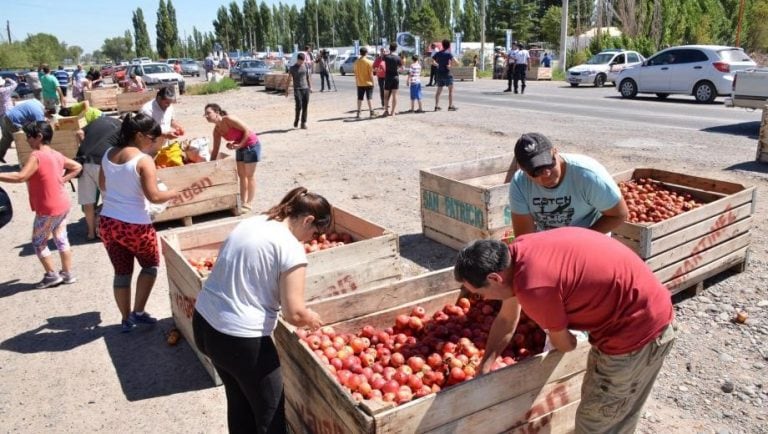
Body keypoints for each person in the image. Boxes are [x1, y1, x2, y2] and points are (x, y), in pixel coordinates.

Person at [453, 228, 676, 433]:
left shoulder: (534, 289)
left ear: (494, 278)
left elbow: (567, 345)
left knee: (596, 422)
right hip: (642, 309)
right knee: (615, 411)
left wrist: (556, 322)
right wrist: (485, 366)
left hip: (636, 333)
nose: (482, 299)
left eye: (480, 293)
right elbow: (507, 317)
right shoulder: (518, 253)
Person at [192, 186, 329, 434]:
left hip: (205, 323)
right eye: (315, 233)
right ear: (308, 220)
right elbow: (294, 313)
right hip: (240, 340)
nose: (312, 239)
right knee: (270, 416)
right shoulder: (290, 246)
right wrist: (311, 318)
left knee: (240, 404)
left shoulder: (253, 222)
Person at [98, 113, 179, 332]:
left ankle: (125, 320)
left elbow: (103, 185)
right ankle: (139, 312)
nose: (154, 143)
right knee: (150, 265)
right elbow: (153, 196)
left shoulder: (108, 154)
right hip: (136, 226)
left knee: (122, 272)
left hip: (108, 223)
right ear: (140, 135)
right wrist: (172, 192)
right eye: (152, 139)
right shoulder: (143, 161)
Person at [0, 121, 82, 288]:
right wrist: (63, 180)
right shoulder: (55, 154)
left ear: (39, 137)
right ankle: (67, 273)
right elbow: (77, 166)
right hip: (62, 204)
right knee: (61, 238)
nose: (27, 140)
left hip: (47, 207)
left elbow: (21, 177)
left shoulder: (36, 156)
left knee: (39, 242)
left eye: (29, 137)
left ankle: (51, 275)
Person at [505, 132, 628, 237]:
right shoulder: (520, 183)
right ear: (522, 169)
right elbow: (525, 237)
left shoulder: (588, 175)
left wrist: (580, 241)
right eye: (536, 171)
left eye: (549, 163)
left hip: (591, 239)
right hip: (550, 244)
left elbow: (619, 214)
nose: (546, 173)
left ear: (555, 152)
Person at [205, 103, 261, 211]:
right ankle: (242, 201)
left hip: (251, 145)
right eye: (205, 114)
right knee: (241, 176)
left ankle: (249, 203)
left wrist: (239, 145)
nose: (206, 116)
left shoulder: (229, 119)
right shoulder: (217, 130)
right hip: (240, 147)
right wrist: (209, 165)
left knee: (249, 175)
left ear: (217, 112)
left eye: (208, 113)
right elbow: (215, 149)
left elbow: (247, 130)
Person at [75, 116, 122, 241]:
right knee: (108, 198)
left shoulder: (98, 120)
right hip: (102, 163)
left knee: (88, 201)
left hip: (83, 161)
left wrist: (83, 145)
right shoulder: (121, 127)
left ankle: (91, 233)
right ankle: (107, 231)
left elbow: (79, 132)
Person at [0, 99, 47, 164]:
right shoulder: (39, 112)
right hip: (14, 121)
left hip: (7, 116)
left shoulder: (34, 102)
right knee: (23, 139)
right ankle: (27, 160)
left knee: (7, 138)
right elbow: (41, 126)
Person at [285, 53, 312, 130]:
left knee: (305, 106)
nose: (302, 63)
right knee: (299, 106)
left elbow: (308, 77)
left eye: (303, 61)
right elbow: (289, 79)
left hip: (305, 88)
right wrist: (286, 90)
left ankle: (303, 123)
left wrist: (310, 87)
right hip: (297, 89)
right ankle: (296, 119)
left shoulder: (305, 66)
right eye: (301, 61)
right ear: (298, 60)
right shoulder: (292, 68)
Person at [433, 39, 458, 112]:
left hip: (439, 74)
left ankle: (436, 106)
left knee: (438, 91)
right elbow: (457, 62)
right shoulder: (449, 54)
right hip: (447, 74)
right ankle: (450, 106)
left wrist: (437, 64)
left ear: (442, 45)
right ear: (449, 46)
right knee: (450, 91)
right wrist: (450, 65)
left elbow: (432, 61)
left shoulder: (438, 53)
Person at [353, 47, 376, 119]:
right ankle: (371, 112)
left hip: (360, 83)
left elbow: (355, 74)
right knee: (369, 98)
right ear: (366, 53)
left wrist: (357, 82)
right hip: (368, 83)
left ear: (360, 53)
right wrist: (373, 82)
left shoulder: (356, 62)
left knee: (359, 98)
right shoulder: (369, 62)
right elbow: (371, 74)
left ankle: (358, 112)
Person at [382, 42, 403, 117]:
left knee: (386, 96)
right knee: (394, 96)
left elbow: (382, 58)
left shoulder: (386, 57)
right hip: (395, 77)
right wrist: (397, 70)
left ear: (389, 48)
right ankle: (393, 112)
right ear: (396, 48)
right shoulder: (398, 58)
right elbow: (402, 69)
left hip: (388, 77)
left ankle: (386, 111)